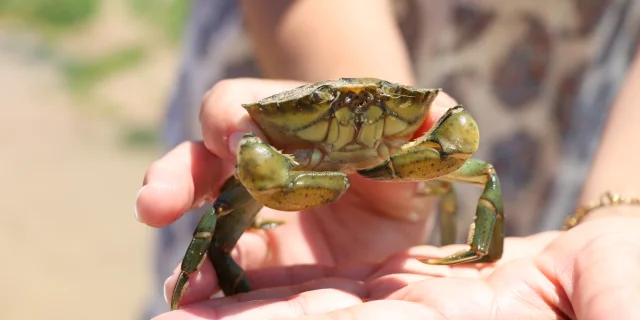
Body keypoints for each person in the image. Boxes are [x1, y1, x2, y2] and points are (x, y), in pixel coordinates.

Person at [136, 0, 640, 318]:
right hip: (285, 44)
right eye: (325, 108)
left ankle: (460, 255)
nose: (358, 116)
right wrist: (371, 190)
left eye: (381, 106)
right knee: (221, 229)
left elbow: (460, 136)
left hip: (555, 86)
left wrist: (618, 217)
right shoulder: (263, 143)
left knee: (481, 174)